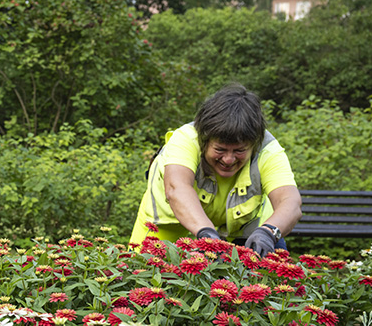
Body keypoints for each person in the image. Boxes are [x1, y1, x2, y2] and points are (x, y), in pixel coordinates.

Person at [129, 84, 302, 256]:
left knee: (275, 278)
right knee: (140, 273)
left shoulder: (268, 150)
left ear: (255, 144)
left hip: (249, 231)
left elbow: (290, 201)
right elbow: (177, 188)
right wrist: (206, 233)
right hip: (168, 223)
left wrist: (268, 232)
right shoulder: (185, 140)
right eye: (220, 149)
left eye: (239, 151)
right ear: (204, 140)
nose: (228, 159)